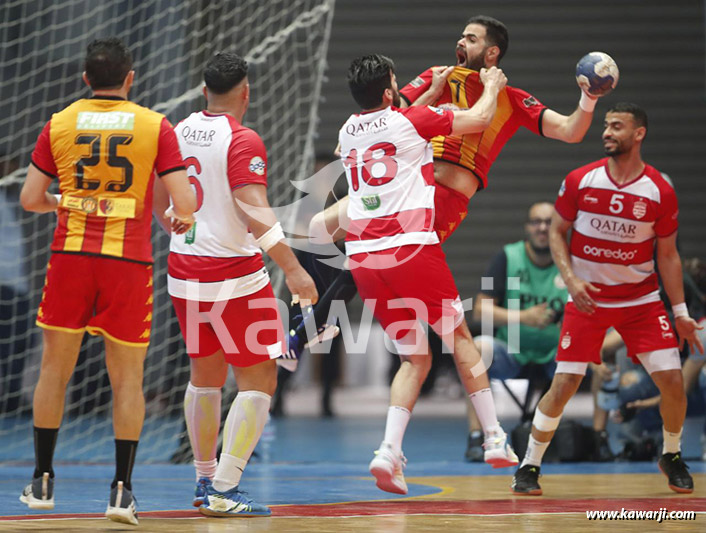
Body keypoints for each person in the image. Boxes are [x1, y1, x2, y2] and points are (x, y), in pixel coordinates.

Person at [294, 14, 606, 360]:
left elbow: (570, 131)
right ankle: (309, 319)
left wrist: (588, 98)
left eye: (471, 39)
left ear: (492, 54)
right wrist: (430, 91)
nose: (461, 42)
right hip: (398, 185)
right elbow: (390, 113)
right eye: (461, 36)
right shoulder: (437, 75)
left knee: (365, 259)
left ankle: (310, 328)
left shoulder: (511, 99)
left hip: (441, 199)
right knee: (317, 228)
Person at [18, 38, 196, 525]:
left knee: (54, 370)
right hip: (127, 264)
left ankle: (41, 480)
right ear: (130, 78)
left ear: (84, 79)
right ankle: (121, 490)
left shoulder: (59, 122)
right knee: (128, 381)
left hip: (71, 257)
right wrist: (181, 218)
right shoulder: (154, 125)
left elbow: (31, 198)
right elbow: (185, 204)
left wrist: (66, 202)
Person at [339, 53, 517, 495]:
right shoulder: (411, 120)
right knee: (459, 341)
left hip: (363, 258)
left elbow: (385, 127)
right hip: (410, 250)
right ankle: (494, 437)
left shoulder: (346, 130)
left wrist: (431, 92)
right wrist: (493, 86)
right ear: (387, 90)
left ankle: (387, 451)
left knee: (415, 358)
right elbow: (476, 120)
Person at [511, 103, 704, 496]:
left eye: (617, 126)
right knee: (564, 383)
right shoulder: (581, 180)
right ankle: (529, 465)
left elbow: (668, 255)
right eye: (606, 125)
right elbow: (557, 233)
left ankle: (671, 455)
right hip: (588, 300)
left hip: (641, 301)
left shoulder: (659, 190)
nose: (607, 132)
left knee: (671, 382)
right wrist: (571, 282)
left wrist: (681, 311)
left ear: (639, 134)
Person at [157, 51, 318, 517]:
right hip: (234, 276)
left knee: (204, 377)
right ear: (245, 92)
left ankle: (205, 479)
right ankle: (225, 489)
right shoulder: (242, 138)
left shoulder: (177, 129)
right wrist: (291, 266)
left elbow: (158, 195)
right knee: (260, 378)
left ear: (204, 90)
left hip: (184, 271)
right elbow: (254, 209)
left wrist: (178, 232)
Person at [465, 201, 567, 459]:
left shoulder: (570, 262)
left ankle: (597, 439)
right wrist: (525, 317)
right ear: (527, 228)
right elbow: (480, 310)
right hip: (512, 353)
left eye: (549, 222)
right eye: (537, 222)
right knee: (475, 350)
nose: (543, 228)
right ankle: (478, 437)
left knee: (589, 358)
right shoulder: (506, 258)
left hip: (556, 357)